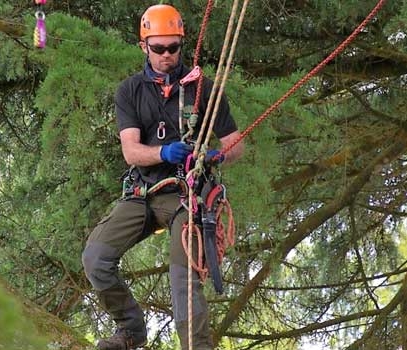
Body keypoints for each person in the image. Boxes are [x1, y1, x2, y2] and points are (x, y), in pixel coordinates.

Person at [82, 4, 245, 350]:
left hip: (186, 195)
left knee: (183, 279)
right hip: (143, 191)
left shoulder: (203, 88)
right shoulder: (130, 91)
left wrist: (217, 155)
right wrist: (164, 153)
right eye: (159, 48)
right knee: (95, 258)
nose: (167, 55)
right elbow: (131, 151)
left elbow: (236, 145)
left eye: (173, 47)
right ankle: (130, 332)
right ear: (144, 46)